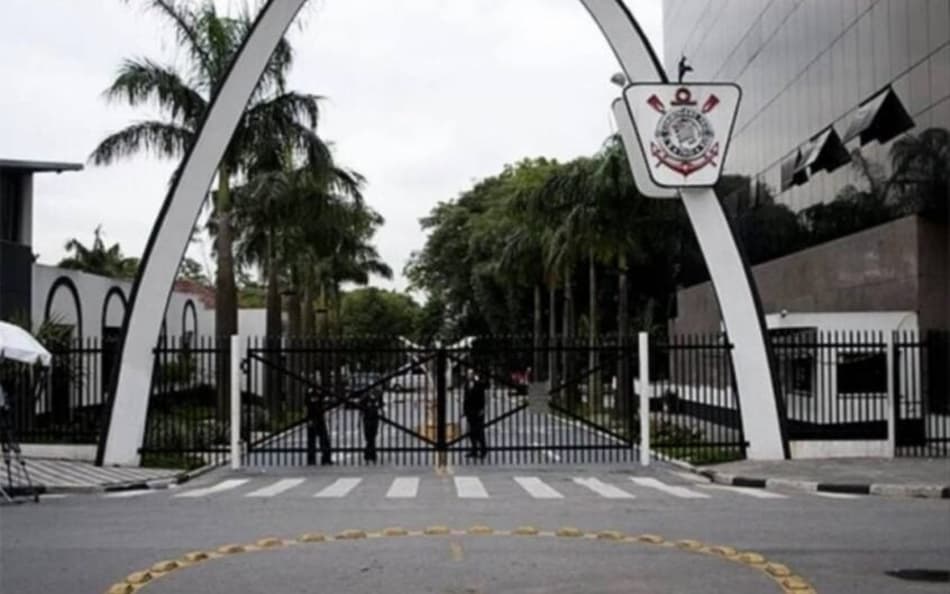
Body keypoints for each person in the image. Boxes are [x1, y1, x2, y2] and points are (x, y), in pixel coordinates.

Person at [462, 369, 489, 458]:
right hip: (470, 411)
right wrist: (464, 411)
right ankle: (474, 450)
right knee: (471, 432)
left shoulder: (479, 384)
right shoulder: (466, 384)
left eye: (470, 374)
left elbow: (482, 397)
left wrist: (482, 409)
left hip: (478, 411)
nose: (469, 375)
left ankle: (483, 450)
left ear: (473, 375)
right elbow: (465, 399)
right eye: (468, 374)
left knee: (479, 432)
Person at [307, 386, 333, 466]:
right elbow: (309, 404)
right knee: (312, 440)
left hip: (319, 418)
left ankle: (326, 457)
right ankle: (312, 459)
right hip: (313, 418)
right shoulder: (310, 392)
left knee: (323, 439)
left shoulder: (319, 392)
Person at [361, 387, 383, 463]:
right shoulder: (365, 396)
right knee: (368, 436)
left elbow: (381, 405)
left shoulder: (378, 395)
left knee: (373, 436)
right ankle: (371, 454)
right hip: (367, 418)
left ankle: (369, 453)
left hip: (374, 418)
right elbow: (361, 406)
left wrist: (378, 406)